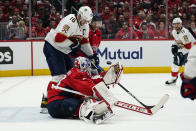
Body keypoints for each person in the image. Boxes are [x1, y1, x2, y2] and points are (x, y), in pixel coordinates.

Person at [41, 6, 99, 113]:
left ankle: (66, 97)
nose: (85, 22)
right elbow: (58, 39)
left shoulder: (85, 24)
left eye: (87, 21)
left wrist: (91, 55)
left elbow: (84, 42)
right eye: (84, 19)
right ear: (79, 15)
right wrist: (73, 45)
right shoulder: (70, 20)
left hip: (64, 50)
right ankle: (46, 101)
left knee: (70, 75)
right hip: (53, 48)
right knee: (59, 77)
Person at [46, 57, 123, 124]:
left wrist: (105, 76)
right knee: (80, 104)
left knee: (85, 101)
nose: (90, 69)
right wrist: (105, 96)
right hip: (56, 105)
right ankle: (90, 113)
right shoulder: (75, 76)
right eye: (88, 66)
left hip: (60, 101)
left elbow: (93, 80)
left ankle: (92, 110)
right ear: (84, 67)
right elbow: (90, 89)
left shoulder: (78, 74)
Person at [165, 18, 196, 85]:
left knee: (189, 68)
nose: (176, 26)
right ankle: (173, 79)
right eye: (174, 24)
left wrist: (179, 47)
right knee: (174, 65)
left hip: (191, 51)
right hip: (184, 50)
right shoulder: (174, 31)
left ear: (180, 24)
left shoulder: (184, 33)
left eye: (177, 24)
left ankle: (191, 82)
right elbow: (177, 41)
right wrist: (174, 45)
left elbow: (188, 46)